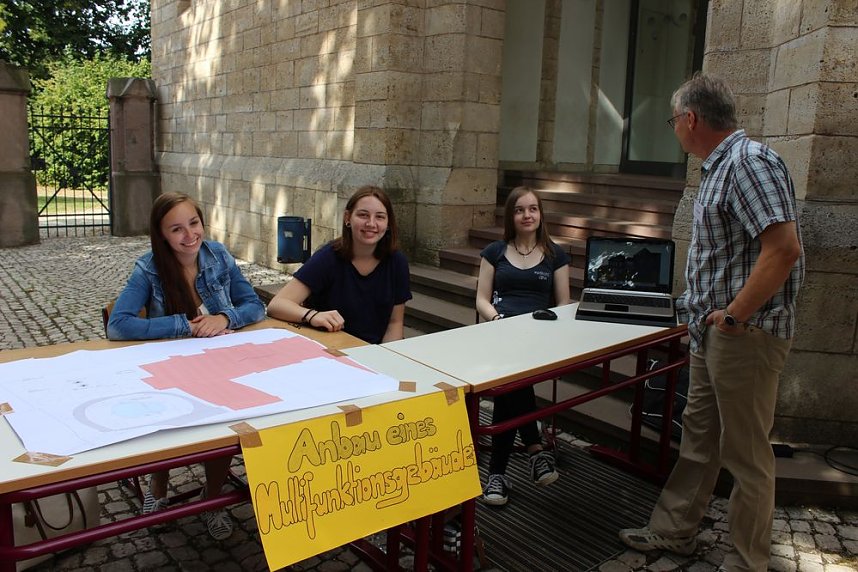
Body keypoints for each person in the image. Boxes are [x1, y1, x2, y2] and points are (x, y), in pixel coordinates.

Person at [619, 73, 804, 571]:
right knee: (699, 438)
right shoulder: (719, 167)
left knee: (746, 457)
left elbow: (783, 250)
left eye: (673, 120)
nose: (675, 130)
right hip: (714, 333)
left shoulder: (748, 163)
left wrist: (735, 318)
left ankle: (747, 562)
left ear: (690, 119)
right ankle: (674, 531)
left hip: (742, 336)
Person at [107, 192, 266, 540]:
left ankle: (212, 499)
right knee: (168, 420)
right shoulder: (148, 268)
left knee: (228, 418)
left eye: (193, 223)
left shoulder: (218, 255)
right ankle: (158, 487)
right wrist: (184, 326)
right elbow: (118, 325)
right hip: (169, 369)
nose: (189, 235)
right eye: (176, 228)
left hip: (221, 363)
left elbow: (255, 305)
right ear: (162, 234)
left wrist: (226, 316)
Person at [475, 186, 571, 506]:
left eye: (532, 209)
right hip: (499, 334)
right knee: (513, 381)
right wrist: (497, 320)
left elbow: (563, 304)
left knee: (510, 386)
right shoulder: (495, 252)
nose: (527, 215)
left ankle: (498, 474)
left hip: (537, 340)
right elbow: (481, 300)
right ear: (511, 216)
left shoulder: (556, 255)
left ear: (541, 214)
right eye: (519, 210)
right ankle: (534, 450)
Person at [267, 185, 411, 344]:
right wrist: (312, 315)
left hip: (373, 352)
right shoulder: (328, 257)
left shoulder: (397, 262)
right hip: (330, 350)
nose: (371, 223)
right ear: (347, 218)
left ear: (388, 222)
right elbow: (277, 305)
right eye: (363, 215)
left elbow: (395, 323)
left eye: (380, 217)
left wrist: (386, 359)